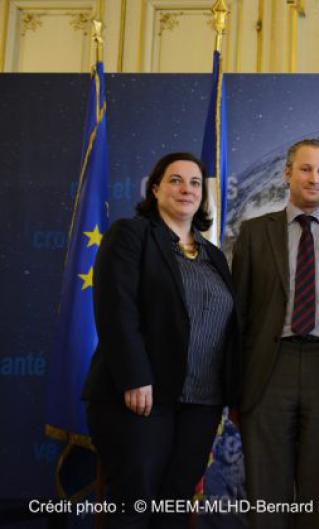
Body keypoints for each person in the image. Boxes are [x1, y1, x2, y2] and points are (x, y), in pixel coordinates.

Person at [82, 152, 239, 529]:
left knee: (173, 507)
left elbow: (228, 325)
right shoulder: (130, 235)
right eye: (175, 180)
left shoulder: (214, 256)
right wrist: (135, 377)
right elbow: (116, 309)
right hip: (141, 398)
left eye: (195, 182)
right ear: (155, 188)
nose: (186, 189)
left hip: (202, 403)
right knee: (133, 505)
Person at [232, 138, 319, 529]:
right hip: (268, 369)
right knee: (266, 494)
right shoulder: (254, 233)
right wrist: (234, 386)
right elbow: (238, 317)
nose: (314, 178)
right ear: (287, 174)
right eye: (306, 169)